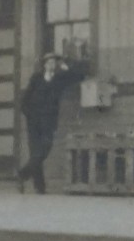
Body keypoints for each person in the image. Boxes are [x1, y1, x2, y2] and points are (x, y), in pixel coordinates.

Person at [17, 52, 84, 194]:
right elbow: (25, 100)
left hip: (48, 121)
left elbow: (79, 76)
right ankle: (40, 187)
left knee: (44, 149)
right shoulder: (36, 78)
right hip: (33, 122)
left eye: (54, 62)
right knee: (36, 152)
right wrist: (29, 114)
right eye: (49, 62)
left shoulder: (59, 79)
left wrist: (66, 67)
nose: (51, 64)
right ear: (44, 64)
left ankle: (23, 174)